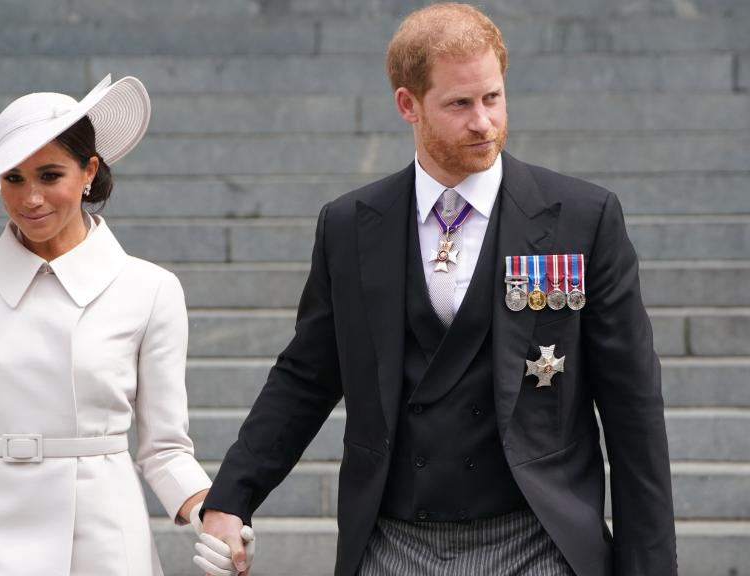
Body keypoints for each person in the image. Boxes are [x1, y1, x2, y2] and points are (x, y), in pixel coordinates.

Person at [197, 4, 677, 576]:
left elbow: (633, 404)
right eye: (460, 104)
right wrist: (229, 498)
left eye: (493, 98)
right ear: (408, 105)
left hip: (539, 539)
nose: (484, 122)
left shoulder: (582, 216)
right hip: (393, 541)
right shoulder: (350, 225)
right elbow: (306, 375)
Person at [0, 75, 213, 576]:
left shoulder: (150, 289)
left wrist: (215, 518)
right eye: (13, 178)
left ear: (88, 172)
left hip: (100, 539)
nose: (30, 198)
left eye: (50, 175)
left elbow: (165, 449)